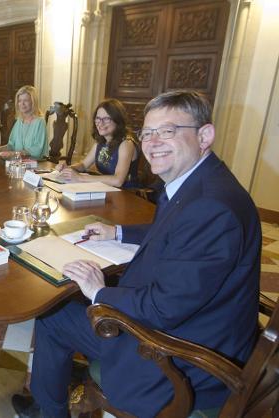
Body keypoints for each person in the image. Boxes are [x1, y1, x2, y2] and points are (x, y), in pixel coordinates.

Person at [13, 91, 261, 418]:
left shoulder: (212, 208)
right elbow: (174, 231)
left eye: (168, 131)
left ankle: (51, 410)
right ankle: (60, 377)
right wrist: (117, 232)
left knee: (53, 316)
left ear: (205, 135)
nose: (153, 142)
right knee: (69, 303)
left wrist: (99, 292)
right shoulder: (202, 183)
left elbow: (162, 308)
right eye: (147, 133)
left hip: (180, 359)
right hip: (195, 322)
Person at [56, 98, 139, 188]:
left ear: (118, 120)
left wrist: (80, 178)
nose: (100, 123)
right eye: (98, 118)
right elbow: (83, 165)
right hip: (107, 190)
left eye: (106, 119)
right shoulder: (101, 141)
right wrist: (68, 169)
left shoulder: (126, 144)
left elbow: (118, 180)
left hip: (127, 195)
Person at [0, 85, 48, 159]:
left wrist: (14, 153)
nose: (22, 104)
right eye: (20, 101)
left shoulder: (40, 122)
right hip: (18, 163)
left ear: (33, 102)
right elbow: (11, 145)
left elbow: (36, 151)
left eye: (26, 100)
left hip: (36, 165)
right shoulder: (19, 121)